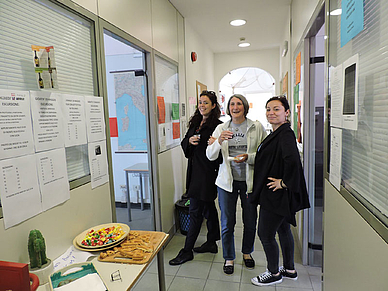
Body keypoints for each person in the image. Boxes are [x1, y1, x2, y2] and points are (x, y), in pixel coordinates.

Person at [250, 96, 310, 286]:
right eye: (268, 109)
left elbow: (293, 161)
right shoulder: (278, 132)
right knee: (284, 229)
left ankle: (274, 273)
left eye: (276, 109)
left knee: (265, 234)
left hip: (275, 195)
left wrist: (284, 183)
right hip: (276, 194)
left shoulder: (284, 133)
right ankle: (290, 269)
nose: (271, 113)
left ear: (287, 112)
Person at [206, 94, 266, 275]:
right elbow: (210, 155)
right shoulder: (221, 128)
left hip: (249, 182)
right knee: (227, 222)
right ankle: (229, 257)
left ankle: (247, 253)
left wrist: (249, 158)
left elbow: (264, 154)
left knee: (250, 220)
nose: (235, 107)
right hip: (226, 183)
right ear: (228, 108)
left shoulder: (256, 127)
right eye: (232, 104)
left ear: (245, 107)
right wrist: (219, 141)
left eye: (239, 103)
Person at [169, 90, 223, 266]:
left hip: (207, 174)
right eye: (200, 102)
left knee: (195, 213)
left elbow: (221, 153)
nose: (202, 105)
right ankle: (212, 243)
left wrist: (215, 144)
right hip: (194, 172)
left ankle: (187, 251)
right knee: (208, 208)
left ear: (213, 105)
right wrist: (189, 141)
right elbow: (184, 143)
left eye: (206, 102)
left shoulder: (218, 126)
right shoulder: (195, 123)